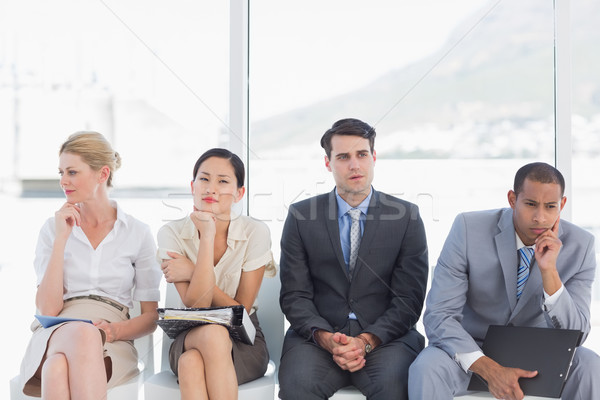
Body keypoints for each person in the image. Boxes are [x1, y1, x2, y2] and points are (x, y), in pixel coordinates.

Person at [409, 162, 600, 400]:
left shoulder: (581, 245)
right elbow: (439, 315)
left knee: (590, 364)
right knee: (426, 367)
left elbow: (577, 335)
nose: (540, 217)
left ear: (561, 205)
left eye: (550, 207)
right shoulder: (468, 229)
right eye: (530, 204)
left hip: (540, 357)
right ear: (512, 199)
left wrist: (549, 272)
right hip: (473, 352)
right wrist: (489, 369)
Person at [278, 118, 429, 400]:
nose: (354, 165)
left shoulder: (406, 217)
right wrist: (326, 339)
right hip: (317, 339)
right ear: (328, 163)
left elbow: (409, 299)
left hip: (387, 339)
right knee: (298, 384)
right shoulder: (301, 216)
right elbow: (294, 295)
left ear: (373, 157)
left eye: (361, 155)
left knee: (395, 386)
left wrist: (366, 341)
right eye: (343, 157)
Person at [19, 131, 162, 398]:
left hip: (112, 337)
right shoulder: (53, 229)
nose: (63, 181)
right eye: (61, 172)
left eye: (72, 172)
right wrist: (62, 239)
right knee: (82, 335)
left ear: (102, 174)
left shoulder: (137, 232)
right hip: (55, 330)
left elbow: (151, 317)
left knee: (57, 369)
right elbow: (48, 308)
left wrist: (114, 330)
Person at [157, 148, 277, 400]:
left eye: (223, 181)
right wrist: (207, 236)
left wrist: (192, 270)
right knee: (209, 336)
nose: (211, 188)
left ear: (239, 193)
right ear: (192, 186)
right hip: (190, 334)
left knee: (191, 363)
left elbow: (239, 312)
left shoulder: (255, 232)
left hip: (244, 338)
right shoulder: (171, 233)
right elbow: (197, 304)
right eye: (204, 179)